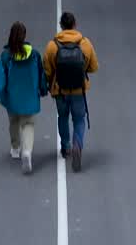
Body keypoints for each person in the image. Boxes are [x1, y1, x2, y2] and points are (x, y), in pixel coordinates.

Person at [0, 21, 48, 175]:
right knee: (28, 124)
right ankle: (27, 151)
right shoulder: (34, 55)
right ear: (24, 36)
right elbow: (42, 75)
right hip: (29, 97)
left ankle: (15, 147)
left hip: (12, 98)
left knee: (13, 121)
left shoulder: (6, 56)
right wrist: (43, 90)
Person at [44, 11, 98, 172]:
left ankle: (65, 146)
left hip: (59, 90)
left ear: (61, 26)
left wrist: (49, 83)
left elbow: (47, 69)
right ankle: (77, 145)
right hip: (78, 90)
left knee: (62, 116)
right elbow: (94, 67)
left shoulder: (53, 45)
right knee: (79, 119)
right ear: (75, 24)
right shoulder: (85, 44)